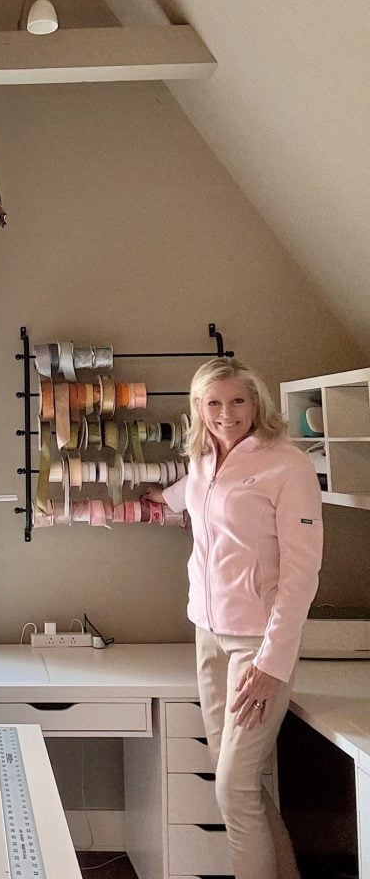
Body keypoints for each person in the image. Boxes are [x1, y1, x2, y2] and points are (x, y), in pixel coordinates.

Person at [143, 357, 323, 879]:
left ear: (256, 403)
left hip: (256, 646)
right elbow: (185, 497)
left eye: (238, 401)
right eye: (214, 403)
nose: (227, 413)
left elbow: (302, 572)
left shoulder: (287, 465)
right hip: (208, 638)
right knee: (241, 783)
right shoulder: (201, 464)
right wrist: (155, 498)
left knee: (233, 788)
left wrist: (271, 664)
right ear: (199, 408)